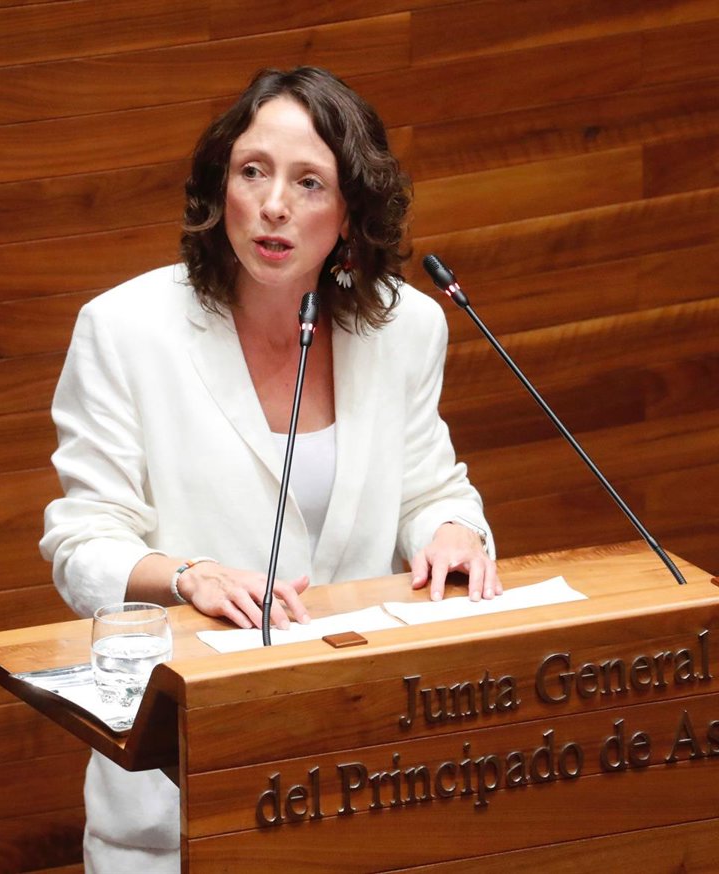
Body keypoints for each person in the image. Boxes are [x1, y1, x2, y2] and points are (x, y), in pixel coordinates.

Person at [39, 67, 498, 872]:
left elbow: (428, 487)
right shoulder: (125, 330)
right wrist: (189, 575)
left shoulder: (405, 328)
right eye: (253, 171)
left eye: (308, 182)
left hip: (363, 772)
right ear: (221, 187)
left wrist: (454, 531)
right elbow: (83, 544)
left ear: (351, 212)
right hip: (185, 788)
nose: (274, 204)